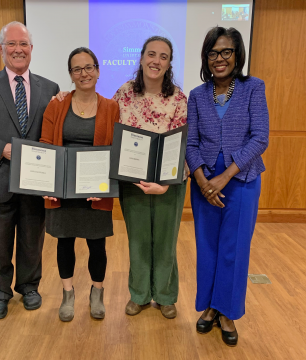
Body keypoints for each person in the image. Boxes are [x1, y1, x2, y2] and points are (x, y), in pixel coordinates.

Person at [0, 21, 60, 320]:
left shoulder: (49, 88)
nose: (18, 49)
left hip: (35, 181)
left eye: (24, 44)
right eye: (12, 44)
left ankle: (29, 286)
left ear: (31, 49)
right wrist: (3, 149)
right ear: (1, 49)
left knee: (32, 240)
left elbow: (52, 136)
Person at [186, 26, 269, 346]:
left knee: (235, 248)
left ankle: (228, 311)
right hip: (204, 181)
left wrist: (225, 175)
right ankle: (209, 307)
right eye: (212, 53)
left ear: (237, 55)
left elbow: (260, 137)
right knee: (207, 246)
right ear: (205, 58)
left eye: (226, 52)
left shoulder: (253, 88)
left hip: (242, 179)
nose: (219, 59)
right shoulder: (196, 95)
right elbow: (191, 144)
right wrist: (203, 178)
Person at [40, 47, 119, 322]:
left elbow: (115, 150)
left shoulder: (111, 106)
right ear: (70, 75)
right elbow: (46, 144)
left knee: (97, 245)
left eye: (88, 67)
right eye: (77, 69)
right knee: (65, 242)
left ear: (97, 70)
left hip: (96, 191)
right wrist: (47, 181)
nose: (83, 73)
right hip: (62, 190)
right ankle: (68, 293)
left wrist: (105, 187)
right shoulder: (57, 104)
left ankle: (97, 293)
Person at [113, 36, 188, 319]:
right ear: (142, 57)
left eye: (164, 56)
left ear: (169, 64)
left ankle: (166, 296)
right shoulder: (123, 94)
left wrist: (165, 183)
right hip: (133, 183)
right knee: (139, 240)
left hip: (169, 184)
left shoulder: (179, 98)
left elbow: (183, 145)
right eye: (151, 54)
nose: (156, 61)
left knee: (166, 241)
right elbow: (112, 132)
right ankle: (140, 295)